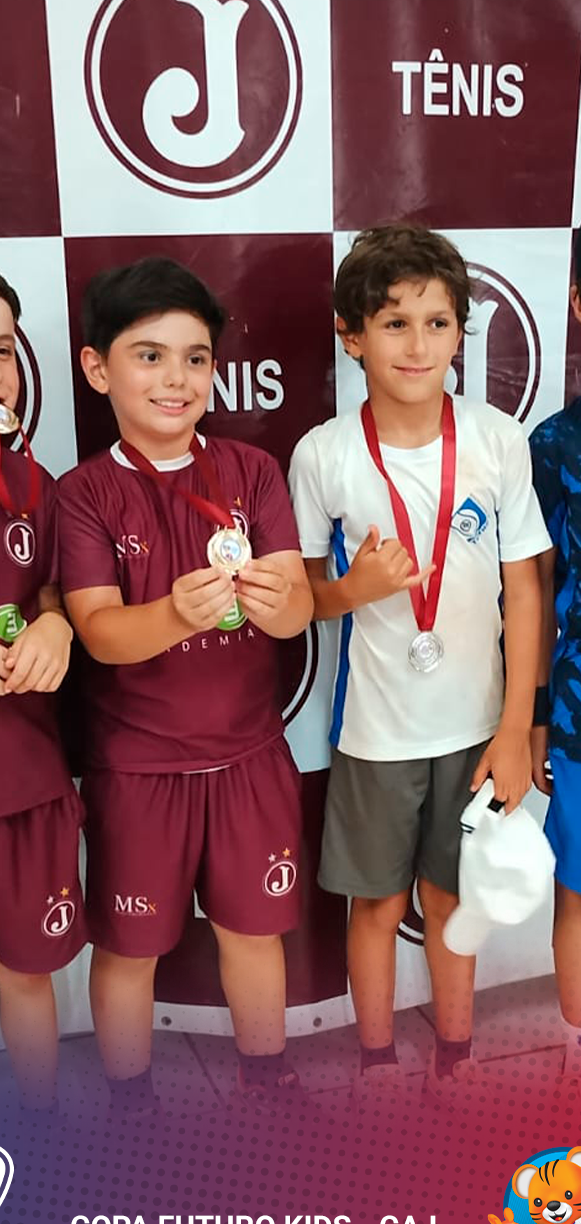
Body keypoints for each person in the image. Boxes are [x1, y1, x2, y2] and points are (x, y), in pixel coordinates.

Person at [289, 224, 551, 1112]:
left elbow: (524, 589)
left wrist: (513, 728)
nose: (417, 344)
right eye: (393, 322)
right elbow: (301, 600)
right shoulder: (324, 453)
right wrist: (353, 588)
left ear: (459, 333)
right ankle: (375, 1062)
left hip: (477, 725)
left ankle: (455, 1053)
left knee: (449, 896)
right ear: (350, 334)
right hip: (375, 729)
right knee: (373, 905)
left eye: (437, 323)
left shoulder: (493, 439)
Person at [58, 256, 313, 1117]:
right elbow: (99, 632)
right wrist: (173, 612)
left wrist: (280, 602)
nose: (177, 378)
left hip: (249, 755)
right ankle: (130, 1103)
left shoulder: (252, 471)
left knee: (254, 933)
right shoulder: (84, 494)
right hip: (138, 769)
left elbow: (296, 611)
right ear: (97, 368)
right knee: (129, 949)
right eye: (150, 355)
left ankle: (267, 1081)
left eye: (195, 358)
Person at [0, 273, 86, 1117]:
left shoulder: (33, 481)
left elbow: (50, 594)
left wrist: (55, 626)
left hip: (21, 772)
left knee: (23, 971)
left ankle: (42, 1132)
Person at [530, 229, 581, 1090]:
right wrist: (537, 713)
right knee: (579, 889)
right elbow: (534, 591)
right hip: (579, 711)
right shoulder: (553, 444)